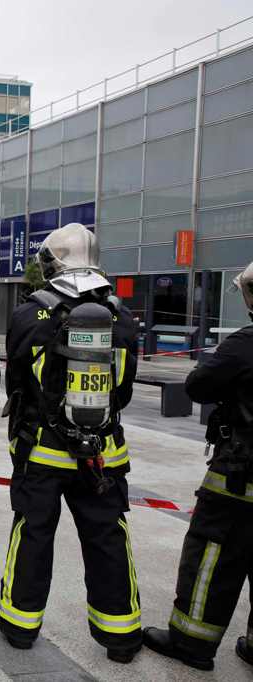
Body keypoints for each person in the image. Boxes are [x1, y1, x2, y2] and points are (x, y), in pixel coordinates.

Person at [0, 223, 141, 662]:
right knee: (108, 538)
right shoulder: (120, 315)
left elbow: (16, 382)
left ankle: (20, 628)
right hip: (104, 454)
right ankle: (120, 636)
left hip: (41, 451)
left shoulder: (30, 313)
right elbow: (125, 390)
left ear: (52, 262)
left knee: (33, 534)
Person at [143, 261, 253, 671]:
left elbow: (197, 385)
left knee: (212, 555)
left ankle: (191, 642)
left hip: (240, 478)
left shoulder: (243, 345)